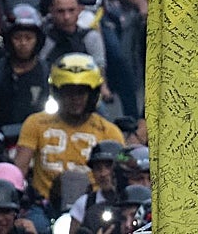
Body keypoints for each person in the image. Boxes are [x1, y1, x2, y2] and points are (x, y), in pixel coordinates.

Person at [13, 54, 122, 200]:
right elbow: (19, 169)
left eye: (81, 92)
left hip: (94, 207)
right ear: (57, 92)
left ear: (92, 94)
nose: (75, 98)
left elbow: (121, 176)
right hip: (44, 205)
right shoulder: (35, 123)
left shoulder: (109, 131)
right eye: (69, 92)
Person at [0, 5, 49, 131]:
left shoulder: (48, 72)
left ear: (38, 41)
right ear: (8, 40)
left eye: (28, 38)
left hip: (40, 137)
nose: (23, 43)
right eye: (17, 38)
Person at [66, 140, 121, 234]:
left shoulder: (133, 199)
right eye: (98, 168)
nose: (103, 174)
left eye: (108, 167)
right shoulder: (84, 203)